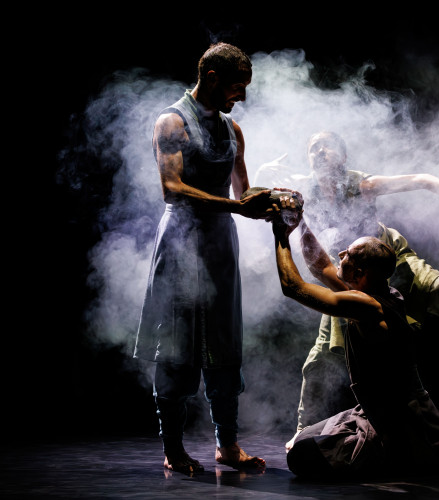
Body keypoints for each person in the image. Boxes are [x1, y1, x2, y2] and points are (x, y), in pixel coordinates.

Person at [255, 131, 439, 448]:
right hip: (352, 271)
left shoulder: (363, 185)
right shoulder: (302, 187)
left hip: (389, 259)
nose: (320, 151)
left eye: (328, 145)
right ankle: (303, 430)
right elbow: (257, 196)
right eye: (313, 147)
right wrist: (262, 174)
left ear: (344, 156)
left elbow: (421, 179)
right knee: (323, 356)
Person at [133, 42, 271, 475]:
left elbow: (243, 192)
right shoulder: (172, 121)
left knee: (225, 343)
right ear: (211, 77)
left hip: (219, 246)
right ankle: (173, 450)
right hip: (181, 242)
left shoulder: (233, 130)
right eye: (235, 87)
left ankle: (227, 445)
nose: (241, 96)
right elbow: (172, 188)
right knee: (176, 344)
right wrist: (236, 208)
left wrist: (275, 201)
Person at [270, 197, 439, 478]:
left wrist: (280, 235)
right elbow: (322, 267)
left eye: (348, 254)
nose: (341, 253)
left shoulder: (369, 306)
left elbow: (293, 287)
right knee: (306, 437)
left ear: (359, 273)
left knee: (302, 456)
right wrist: (300, 224)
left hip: (409, 426)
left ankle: (401, 459)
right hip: (383, 411)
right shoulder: (380, 291)